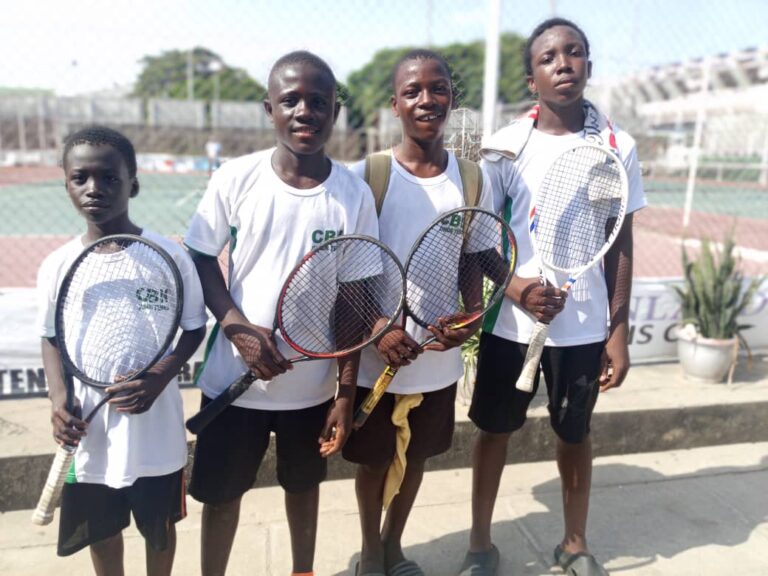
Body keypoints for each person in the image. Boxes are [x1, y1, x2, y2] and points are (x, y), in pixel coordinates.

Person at [459, 18, 647, 576]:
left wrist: (618, 331)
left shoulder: (619, 146)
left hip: (584, 329)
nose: (563, 63)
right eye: (549, 57)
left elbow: (621, 243)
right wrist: (517, 289)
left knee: (575, 433)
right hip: (509, 328)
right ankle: (479, 545)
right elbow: (477, 239)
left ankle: (574, 542)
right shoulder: (504, 147)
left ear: (589, 64)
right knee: (494, 432)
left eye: (575, 53)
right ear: (531, 76)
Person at [184, 50, 378, 576]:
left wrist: (344, 392)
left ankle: (303, 571)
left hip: (311, 391)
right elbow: (201, 256)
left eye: (319, 102)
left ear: (334, 111)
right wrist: (238, 328)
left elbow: (355, 300)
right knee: (221, 499)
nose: (304, 111)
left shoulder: (353, 196)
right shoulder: (236, 178)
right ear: (268, 109)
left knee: (304, 488)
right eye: (290, 100)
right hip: (234, 383)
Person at [343, 49, 495, 576]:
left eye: (437, 88)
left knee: (418, 460)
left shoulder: (473, 179)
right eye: (412, 91)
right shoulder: (370, 176)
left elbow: (474, 254)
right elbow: (350, 271)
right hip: (376, 356)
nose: (426, 99)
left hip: (437, 359)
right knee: (374, 460)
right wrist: (376, 327)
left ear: (452, 98)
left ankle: (393, 546)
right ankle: (369, 552)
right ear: (395, 104)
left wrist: (472, 311)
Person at [37, 125, 207, 575]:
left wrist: (160, 377)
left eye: (109, 178)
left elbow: (193, 329)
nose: (95, 189)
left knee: (159, 526)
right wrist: (58, 400)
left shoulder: (169, 256)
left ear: (133, 182)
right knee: (101, 529)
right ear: (67, 184)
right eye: (81, 178)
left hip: (156, 426)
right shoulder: (56, 266)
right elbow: (50, 338)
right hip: (89, 431)